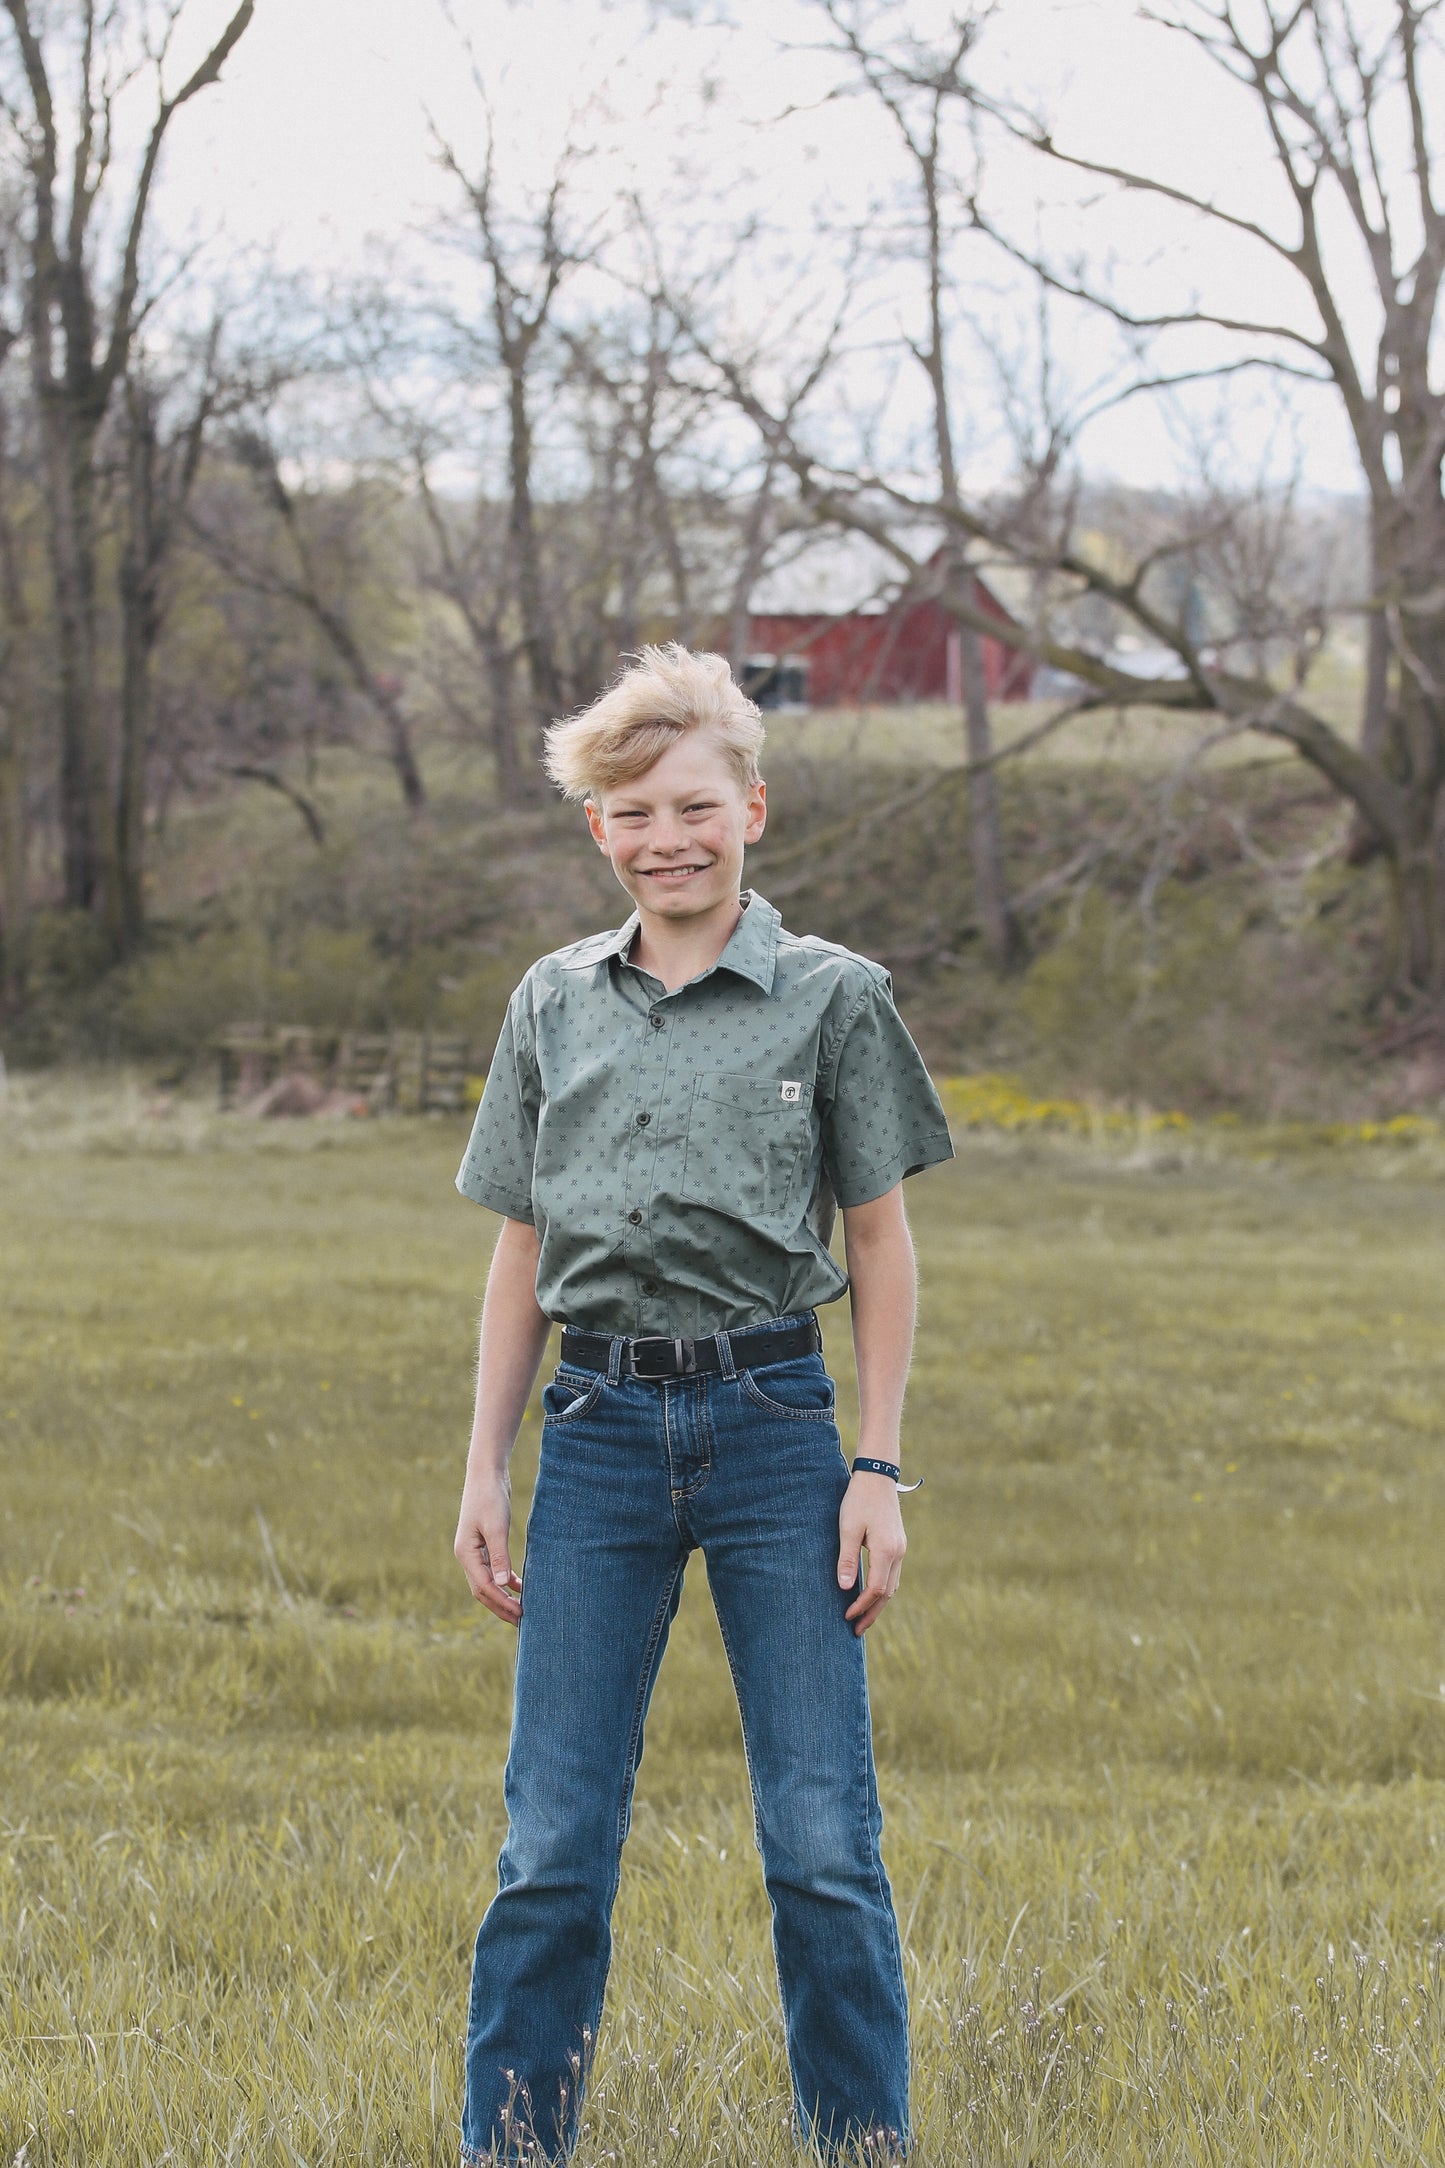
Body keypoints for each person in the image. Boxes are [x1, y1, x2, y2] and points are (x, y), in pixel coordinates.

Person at [452, 645, 954, 2163]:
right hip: (595, 1438)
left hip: (772, 1433)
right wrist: (484, 1464)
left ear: (753, 805)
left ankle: (857, 2145)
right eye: (629, 812)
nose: (665, 836)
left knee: (817, 1844)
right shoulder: (552, 1003)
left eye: (692, 805)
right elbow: (518, 1248)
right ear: (597, 831)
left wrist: (873, 1467)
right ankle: (516, 2144)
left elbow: (877, 1241)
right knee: (550, 1846)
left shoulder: (832, 1000)